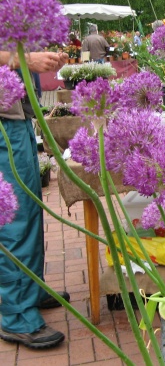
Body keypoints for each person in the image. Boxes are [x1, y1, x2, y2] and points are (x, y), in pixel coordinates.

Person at [0, 50, 70, 349]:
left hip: (16, 117)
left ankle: (31, 288)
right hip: (3, 123)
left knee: (29, 209)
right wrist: (23, 59)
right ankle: (16, 315)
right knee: (14, 218)